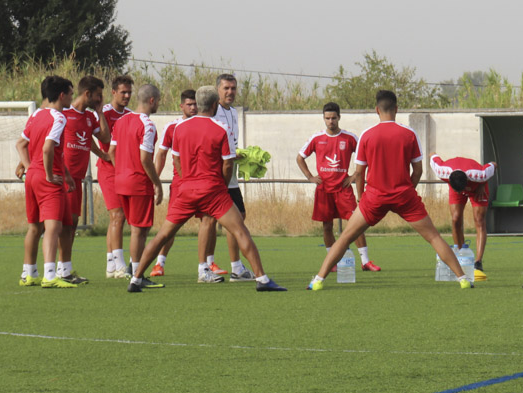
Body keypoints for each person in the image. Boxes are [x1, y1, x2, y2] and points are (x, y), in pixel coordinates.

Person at [307, 90, 471, 291]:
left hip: (374, 197)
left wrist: (361, 199)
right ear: (397, 109)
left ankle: (318, 280)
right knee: (434, 237)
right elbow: (418, 169)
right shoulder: (409, 134)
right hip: (404, 196)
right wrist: (408, 190)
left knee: (345, 237)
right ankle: (462, 278)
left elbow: (359, 172)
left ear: (377, 110)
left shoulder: (367, 135)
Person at [129, 86, 284, 293]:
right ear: (214, 105)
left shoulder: (180, 128)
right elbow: (228, 163)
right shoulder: (221, 128)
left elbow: (175, 158)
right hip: (213, 191)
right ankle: (262, 279)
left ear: (198, 104)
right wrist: (221, 184)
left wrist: (185, 180)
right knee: (239, 230)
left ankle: (136, 279)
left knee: (162, 236)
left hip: (185, 191)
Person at [297, 102, 381, 272]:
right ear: (323, 119)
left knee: (355, 223)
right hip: (324, 190)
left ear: (339, 118)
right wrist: (310, 177)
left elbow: (365, 157)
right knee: (327, 226)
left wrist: (355, 175)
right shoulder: (316, 138)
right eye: (327, 118)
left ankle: (365, 261)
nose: (330, 121)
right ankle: (332, 262)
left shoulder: (350, 138)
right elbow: (300, 158)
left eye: (333, 118)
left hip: (344, 189)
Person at [15, 75, 76, 288]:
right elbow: (48, 148)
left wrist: (30, 167)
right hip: (48, 179)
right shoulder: (59, 118)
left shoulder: (36, 115)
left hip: (32, 177)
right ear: (62, 95)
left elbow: (21, 144)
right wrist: (49, 174)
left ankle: (28, 273)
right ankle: (50, 275)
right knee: (53, 228)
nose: (71, 97)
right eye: (70, 93)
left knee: (35, 227)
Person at [151, 88, 217, 280]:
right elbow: (162, 153)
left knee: (209, 220)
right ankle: (159, 263)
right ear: (181, 106)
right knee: (172, 225)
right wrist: (156, 181)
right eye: (189, 104)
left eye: (195, 103)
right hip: (182, 184)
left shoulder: (208, 125)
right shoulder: (173, 127)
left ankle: (208, 263)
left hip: (204, 182)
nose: (193, 107)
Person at [57, 76, 111, 284]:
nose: (100, 99)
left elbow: (103, 138)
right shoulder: (64, 114)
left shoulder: (89, 118)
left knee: (72, 224)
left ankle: (65, 269)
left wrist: (99, 113)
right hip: (64, 178)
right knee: (62, 225)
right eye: (98, 96)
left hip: (77, 179)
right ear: (88, 94)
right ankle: (58, 270)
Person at [203, 73, 256, 281]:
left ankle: (236, 267)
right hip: (215, 176)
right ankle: (205, 267)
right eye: (226, 88)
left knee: (239, 217)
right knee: (208, 220)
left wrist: (242, 156)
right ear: (218, 90)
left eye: (233, 88)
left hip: (230, 176)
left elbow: (230, 146)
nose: (230, 92)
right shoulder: (211, 113)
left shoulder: (233, 112)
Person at [111, 84, 164, 284]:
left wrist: (121, 170)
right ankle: (137, 274)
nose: (158, 104)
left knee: (136, 228)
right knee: (139, 230)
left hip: (121, 181)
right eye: (158, 100)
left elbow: (111, 151)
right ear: (152, 101)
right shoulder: (147, 125)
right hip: (138, 183)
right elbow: (145, 158)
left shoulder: (122, 121)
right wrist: (157, 183)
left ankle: (136, 272)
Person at [430, 154, 496, 281]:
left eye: (462, 190)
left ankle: (478, 262)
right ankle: (460, 256)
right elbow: (432, 155)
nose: (462, 193)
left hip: (477, 187)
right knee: (455, 219)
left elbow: (494, 163)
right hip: (456, 184)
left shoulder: (480, 174)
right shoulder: (442, 170)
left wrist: (482, 183)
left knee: (479, 220)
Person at [99, 75, 134, 277]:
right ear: (113, 92)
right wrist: (102, 155)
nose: (127, 96)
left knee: (118, 218)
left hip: (125, 170)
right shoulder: (103, 112)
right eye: (123, 92)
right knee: (117, 215)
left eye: (129, 92)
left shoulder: (130, 115)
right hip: (108, 170)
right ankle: (120, 265)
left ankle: (111, 265)